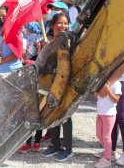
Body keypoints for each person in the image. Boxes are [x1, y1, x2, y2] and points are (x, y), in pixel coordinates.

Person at [41, 12, 74, 162]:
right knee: (53, 113)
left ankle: (68, 148)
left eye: (66, 23)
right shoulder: (48, 45)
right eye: (60, 23)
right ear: (53, 25)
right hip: (51, 85)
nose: (63, 26)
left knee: (65, 115)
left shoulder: (71, 44)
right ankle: (55, 144)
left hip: (67, 85)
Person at [93, 80, 122, 168]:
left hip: (109, 114)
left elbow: (116, 100)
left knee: (106, 136)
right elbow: (95, 95)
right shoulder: (101, 82)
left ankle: (107, 159)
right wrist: (97, 89)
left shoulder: (116, 83)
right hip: (100, 113)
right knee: (98, 135)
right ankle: (109, 152)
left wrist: (108, 90)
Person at [0, 6, 23, 73]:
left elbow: (19, 53)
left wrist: (3, 60)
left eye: (3, 16)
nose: (0, 18)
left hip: (12, 72)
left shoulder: (15, 32)